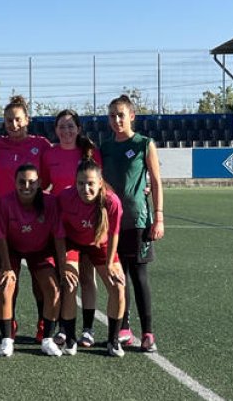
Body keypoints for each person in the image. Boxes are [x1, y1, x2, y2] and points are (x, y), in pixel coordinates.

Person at [101, 94, 165, 353]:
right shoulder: (105, 147)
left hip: (138, 220)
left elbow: (156, 182)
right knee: (119, 276)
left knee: (139, 277)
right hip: (111, 223)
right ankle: (124, 327)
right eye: (112, 116)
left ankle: (148, 333)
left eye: (121, 115)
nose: (116, 120)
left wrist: (158, 216)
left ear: (131, 116)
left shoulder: (144, 144)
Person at [0, 95, 52, 343]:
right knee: (6, 278)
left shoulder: (42, 145)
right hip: (5, 224)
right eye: (8, 120)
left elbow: (49, 177)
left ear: (27, 119)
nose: (13, 124)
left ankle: (42, 323)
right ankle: (10, 324)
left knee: (40, 281)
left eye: (17, 119)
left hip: (36, 222)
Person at [41, 109, 102, 347]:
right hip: (62, 227)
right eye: (61, 126)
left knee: (87, 277)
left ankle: (88, 329)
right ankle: (65, 329)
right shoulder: (49, 154)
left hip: (88, 224)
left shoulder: (90, 153)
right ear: (55, 130)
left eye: (70, 126)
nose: (66, 131)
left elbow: (101, 185)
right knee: (67, 278)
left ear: (78, 129)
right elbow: (43, 186)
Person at [54, 160, 127, 356]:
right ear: (75, 182)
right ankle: (70, 339)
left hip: (99, 244)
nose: (85, 189)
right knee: (70, 284)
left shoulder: (111, 201)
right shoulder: (65, 197)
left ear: (100, 182)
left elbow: (114, 233)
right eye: (80, 183)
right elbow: (59, 234)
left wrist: (110, 264)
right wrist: (63, 265)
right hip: (72, 243)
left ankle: (113, 341)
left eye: (90, 183)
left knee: (118, 287)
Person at [0, 164, 60, 357]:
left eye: (32, 182)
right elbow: (0, 236)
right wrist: (6, 267)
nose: (26, 186)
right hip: (11, 249)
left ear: (39, 183)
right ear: (15, 183)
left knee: (52, 288)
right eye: (22, 182)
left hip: (40, 250)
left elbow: (58, 236)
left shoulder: (50, 202)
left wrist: (62, 267)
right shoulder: (5, 202)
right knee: (6, 286)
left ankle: (47, 338)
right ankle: (7, 339)